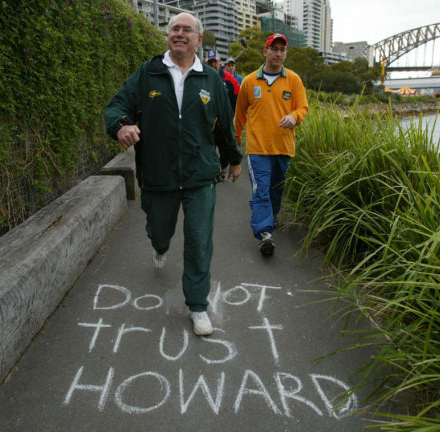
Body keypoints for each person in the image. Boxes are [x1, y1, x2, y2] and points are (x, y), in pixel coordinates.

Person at [104, 12, 242, 336]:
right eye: (174, 29)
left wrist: (234, 159)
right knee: (159, 230)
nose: (179, 33)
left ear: (199, 39)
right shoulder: (149, 73)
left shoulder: (211, 80)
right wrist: (121, 125)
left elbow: (224, 126)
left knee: (198, 241)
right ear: (168, 36)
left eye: (186, 30)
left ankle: (197, 306)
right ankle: (159, 245)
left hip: (200, 176)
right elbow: (117, 105)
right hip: (159, 175)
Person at [234, 33, 309, 256]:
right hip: (257, 148)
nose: (278, 53)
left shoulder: (293, 79)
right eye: (273, 48)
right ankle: (264, 233)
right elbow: (240, 114)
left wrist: (294, 117)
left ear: (285, 53)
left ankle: (271, 214)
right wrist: (236, 139)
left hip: (284, 147)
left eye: (282, 50)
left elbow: (303, 108)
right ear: (265, 51)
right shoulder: (249, 81)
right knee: (261, 190)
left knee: (277, 188)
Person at [205, 49, 240, 182]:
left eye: (215, 61)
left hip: (224, 122)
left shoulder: (229, 79)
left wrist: (234, 116)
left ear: (220, 62)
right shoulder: (201, 77)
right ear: (206, 63)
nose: (213, 64)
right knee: (208, 147)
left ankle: (222, 168)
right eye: (210, 62)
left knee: (224, 148)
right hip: (207, 123)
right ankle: (210, 171)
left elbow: (238, 99)